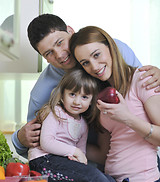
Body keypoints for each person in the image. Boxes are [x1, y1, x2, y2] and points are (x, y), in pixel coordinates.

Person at [28, 67, 158, 182]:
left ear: (91, 102)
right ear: (62, 95)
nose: (76, 101)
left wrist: (79, 161)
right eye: (72, 94)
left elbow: (81, 151)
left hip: (63, 164)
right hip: (43, 162)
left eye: (84, 97)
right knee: (93, 175)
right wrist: (74, 152)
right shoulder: (56, 112)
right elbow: (47, 142)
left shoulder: (83, 124)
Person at [11, 14, 160, 161]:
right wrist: (19, 139)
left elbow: (145, 90)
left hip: (141, 156)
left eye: (60, 42)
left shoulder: (113, 50)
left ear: (70, 31)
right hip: (89, 164)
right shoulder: (42, 92)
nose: (60, 55)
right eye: (49, 53)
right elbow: (36, 149)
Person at [69, 25, 160, 182]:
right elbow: (103, 152)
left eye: (96, 55)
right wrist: (62, 146)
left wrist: (126, 116)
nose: (94, 66)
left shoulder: (142, 78)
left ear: (110, 47)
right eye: (85, 62)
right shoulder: (100, 97)